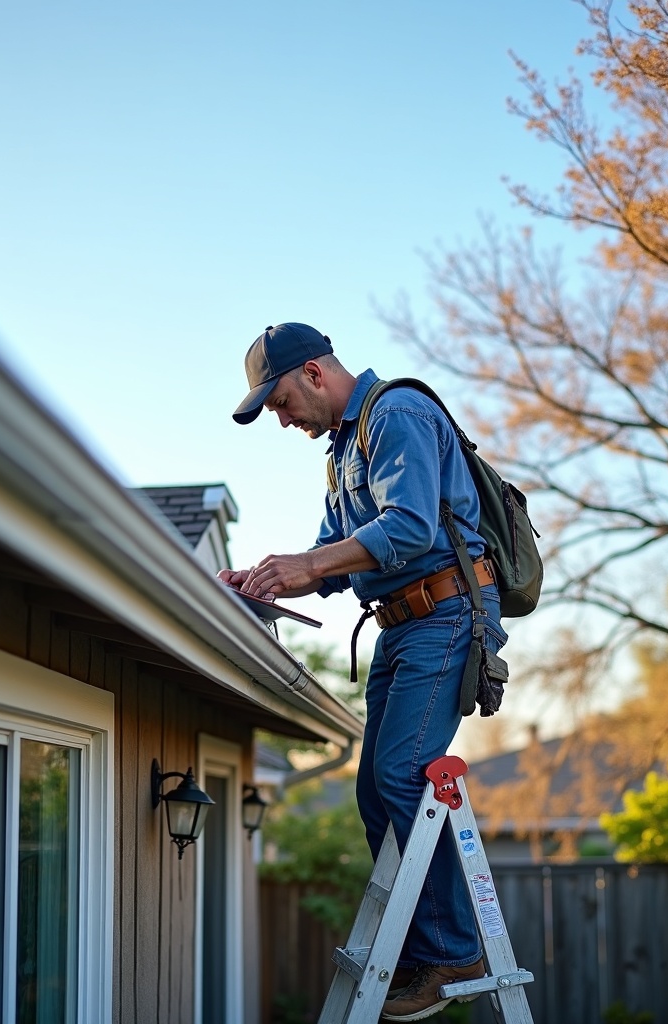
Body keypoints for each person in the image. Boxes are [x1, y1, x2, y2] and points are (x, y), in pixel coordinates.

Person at [222, 322, 508, 1021]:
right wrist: (272, 577)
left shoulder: (399, 414)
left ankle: (454, 953)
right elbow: (332, 549)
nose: (284, 420)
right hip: (400, 627)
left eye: (282, 402)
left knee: (402, 775)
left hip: (445, 614)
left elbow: (409, 528)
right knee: (373, 794)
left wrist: (316, 564)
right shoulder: (344, 450)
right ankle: (420, 946)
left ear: (315, 374)